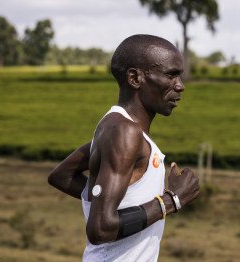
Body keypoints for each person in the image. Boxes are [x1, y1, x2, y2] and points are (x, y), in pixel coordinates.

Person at [48, 34, 200, 261]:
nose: (180, 86)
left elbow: (62, 175)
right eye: (171, 75)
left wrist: (106, 198)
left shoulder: (119, 131)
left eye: (180, 75)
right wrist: (172, 200)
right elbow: (100, 229)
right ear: (135, 78)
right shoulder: (123, 132)